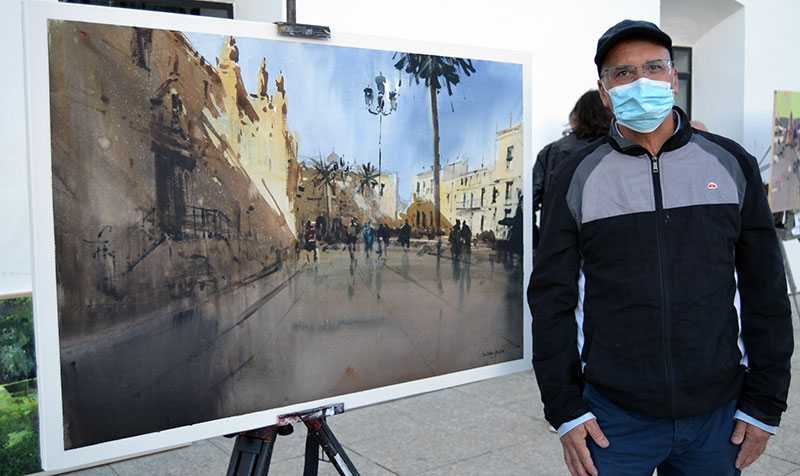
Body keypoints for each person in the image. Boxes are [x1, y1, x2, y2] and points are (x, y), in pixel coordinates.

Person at [527, 19, 793, 476]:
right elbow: (551, 298)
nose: (641, 81)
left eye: (654, 67)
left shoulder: (731, 164)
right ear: (604, 90)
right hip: (613, 420)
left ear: (673, 75)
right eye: (623, 73)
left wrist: (765, 404)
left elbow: (765, 291)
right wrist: (565, 408)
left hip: (718, 417)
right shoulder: (575, 176)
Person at [532, 90, 612, 244]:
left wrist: (537, 245)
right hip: (606, 248)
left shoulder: (550, 153)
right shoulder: (620, 152)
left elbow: (526, 205)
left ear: (575, 117)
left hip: (558, 247)